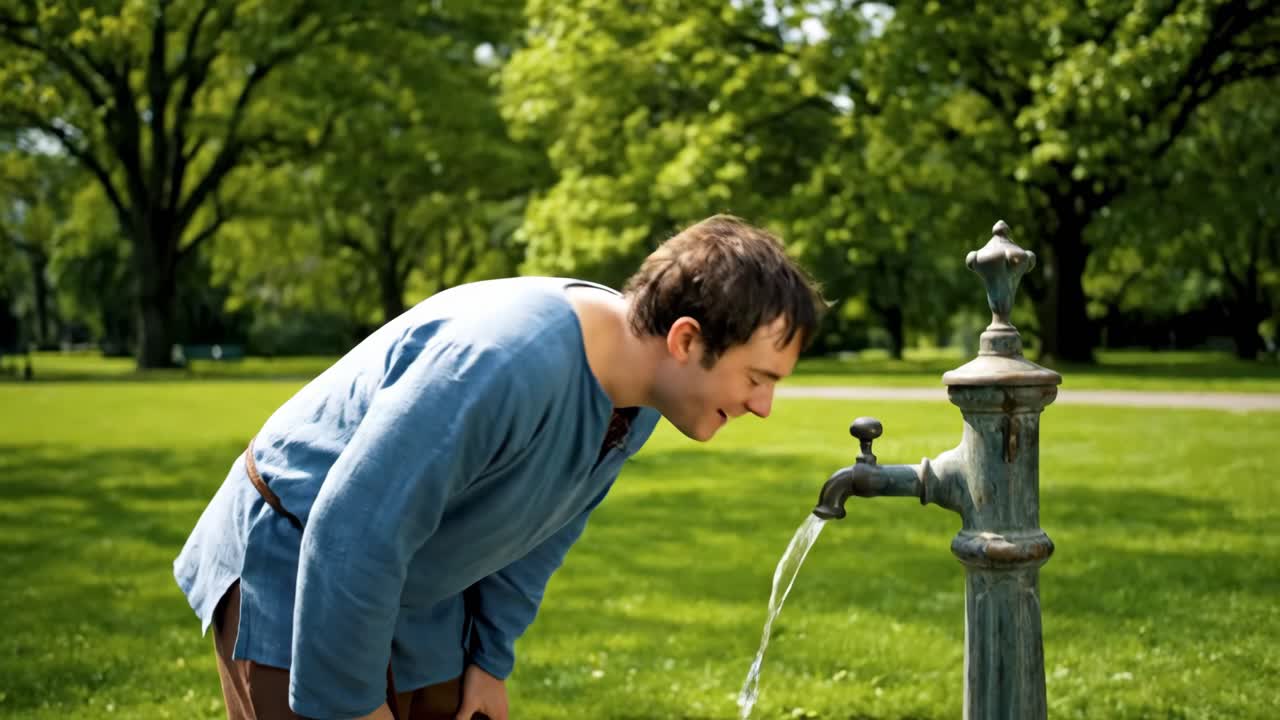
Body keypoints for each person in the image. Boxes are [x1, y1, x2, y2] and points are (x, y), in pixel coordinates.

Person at [174, 214, 826, 720]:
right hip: (296, 559)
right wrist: (349, 706)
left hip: (420, 578)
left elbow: (541, 533)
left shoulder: (643, 396)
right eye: (757, 378)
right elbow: (352, 531)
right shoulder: (503, 362)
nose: (764, 406)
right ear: (686, 340)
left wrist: (487, 660)